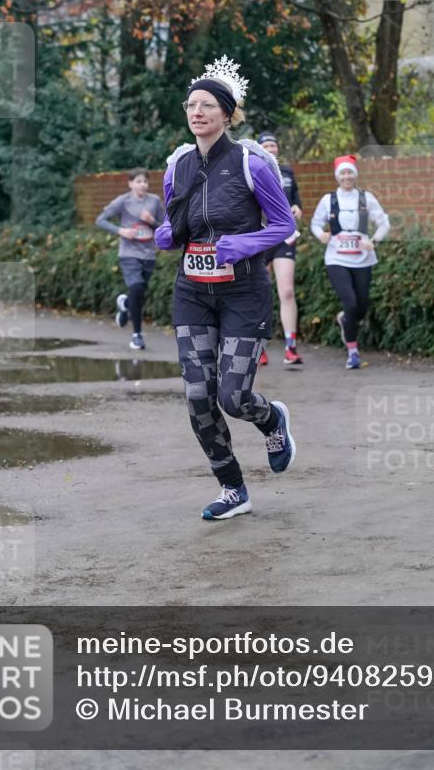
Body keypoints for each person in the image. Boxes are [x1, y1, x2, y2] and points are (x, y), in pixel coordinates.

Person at [155, 55, 298, 521]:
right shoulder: (177, 164)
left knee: (233, 397)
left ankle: (271, 418)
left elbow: (282, 225)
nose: (197, 112)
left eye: (207, 106)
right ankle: (233, 488)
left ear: (227, 112)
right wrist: (163, 234)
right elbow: (173, 223)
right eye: (190, 105)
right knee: (198, 395)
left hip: (243, 292)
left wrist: (243, 244)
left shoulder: (253, 162)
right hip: (192, 291)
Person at [311, 154, 390, 369]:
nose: (346, 177)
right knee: (351, 302)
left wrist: (374, 240)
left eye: (350, 173)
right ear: (338, 176)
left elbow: (384, 223)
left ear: (355, 176)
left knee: (361, 306)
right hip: (336, 257)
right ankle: (353, 352)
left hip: (363, 258)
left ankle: (345, 318)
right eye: (343, 173)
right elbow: (315, 223)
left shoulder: (366, 198)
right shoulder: (329, 200)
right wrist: (322, 236)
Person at [96, 168, 164, 351]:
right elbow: (100, 220)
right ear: (131, 184)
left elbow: (165, 228)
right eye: (138, 181)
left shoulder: (155, 201)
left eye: (145, 182)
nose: (142, 185)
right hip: (128, 253)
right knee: (136, 287)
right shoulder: (123, 201)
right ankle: (137, 335)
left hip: (148, 254)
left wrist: (151, 221)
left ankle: (125, 304)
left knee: (139, 293)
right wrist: (121, 231)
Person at [257, 131, 303, 368]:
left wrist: (296, 208)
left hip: (284, 239)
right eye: (265, 145)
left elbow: (296, 202)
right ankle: (258, 347)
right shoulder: (251, 169)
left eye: (273, 144)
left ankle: (290, 347)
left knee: (286, 291)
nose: (271, 148)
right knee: (259, 293)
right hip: (261, 238)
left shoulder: (286, 172)